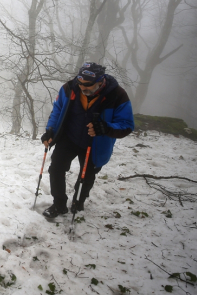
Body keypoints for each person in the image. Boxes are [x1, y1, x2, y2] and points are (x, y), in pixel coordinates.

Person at [40, 62, 134, 218]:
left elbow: (127, 125)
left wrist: (105, 127)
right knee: (56, 168)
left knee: (87, 175)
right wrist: (51, 130)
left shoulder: (117, 95)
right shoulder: (69, 88)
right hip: (69, 136)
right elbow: (57, 110)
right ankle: (59, 204)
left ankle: (79, 201)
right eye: (80, 83)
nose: (83, 88)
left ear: (100, 81)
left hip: (95, 142)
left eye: (88, 85)